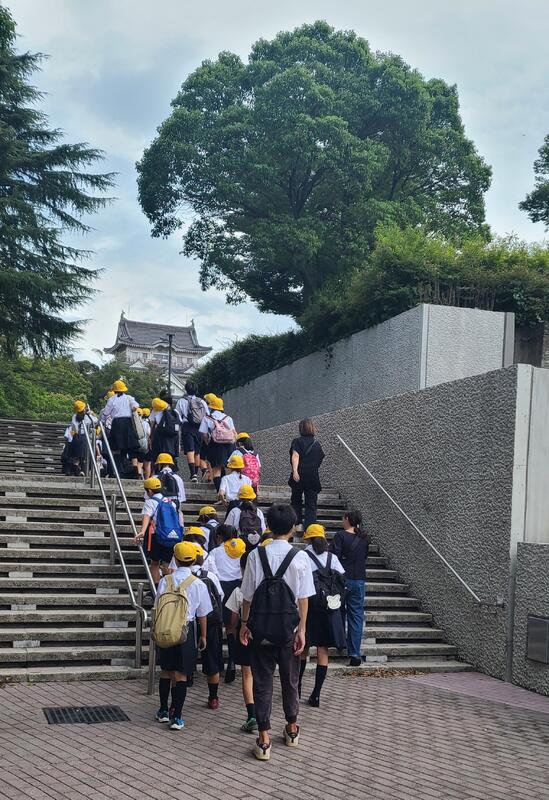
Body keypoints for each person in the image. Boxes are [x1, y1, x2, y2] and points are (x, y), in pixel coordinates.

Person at [239, 504, 315, 762]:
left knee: (262, 681)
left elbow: (247, 596)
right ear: (293, 528)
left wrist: (244, 624)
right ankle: (292, 729)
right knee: (290, 680)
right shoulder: (300, 557)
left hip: (260, 630)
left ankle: (263, 739)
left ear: (268, 527)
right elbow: (303, 598)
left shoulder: (255, 556)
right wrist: (302, 629)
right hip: (288, 630)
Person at [154, 540, 211, 730]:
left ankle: (163, 710)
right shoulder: (198, 584)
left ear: (175, 560)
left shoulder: (165, 580)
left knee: (166, 671)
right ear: (194, 559)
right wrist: (203, 635)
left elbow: (157, 604)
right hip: (186, 630)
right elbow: (202, 614)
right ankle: (177, 716)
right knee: (181, 675)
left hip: (166, 627)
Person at [299, 524, 346, 707]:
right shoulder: (332, 558)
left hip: (309, 608)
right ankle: (316, 694)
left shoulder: (303, 555)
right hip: (328, 609)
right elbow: (342, 578)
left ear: (308, 539)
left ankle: (297, 686)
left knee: (303, 648)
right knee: (323, 650)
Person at [204, 526, 243, 684]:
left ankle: (218, 663)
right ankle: (232, 660)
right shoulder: (241, 549)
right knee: (232, 628)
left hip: (221, 588)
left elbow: (208, 570)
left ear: (219, 537)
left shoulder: (215, 552)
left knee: (219, 626)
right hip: (238, 587)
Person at [331, 509, 369, 667]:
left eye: (343, 518)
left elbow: (333, 558)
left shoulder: (340, 536)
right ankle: (354, 653)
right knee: (356, 616)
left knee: (338, 611)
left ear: (347, 519)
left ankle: (340, 642)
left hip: (342, 580)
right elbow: (364, 557)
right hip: (359, 580)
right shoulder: (364, 538)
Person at [225, 550, 257, 733]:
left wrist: (232, 630)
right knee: (263, 674)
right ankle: (264, 713)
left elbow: (233, 619)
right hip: (268, 634)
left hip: (245, 635)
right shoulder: (270, 587)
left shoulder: (239, 591)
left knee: (247, 675)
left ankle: (251, 715)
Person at [192, 543, 224, 709]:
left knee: (182, 661)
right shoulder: (210, 576)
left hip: (187, 623)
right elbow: (220, 596)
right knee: (212, 660)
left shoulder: (177, 577)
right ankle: (213, 697)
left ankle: (177, 699)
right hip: (210, 622)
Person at [135, 477, 182, 585]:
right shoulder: (171, 502)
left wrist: (142, 531)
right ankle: (169, 587)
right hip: (172, 536)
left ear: (149, 491)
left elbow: (147, 516)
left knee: (154, 563)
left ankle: (156, 587)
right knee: (167, 564)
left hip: (156, 536)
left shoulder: (150, 502)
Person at [289, 418, 325, 530]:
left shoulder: (297, 441)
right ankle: (310, 528)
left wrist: (295, 471)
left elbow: (295, 455)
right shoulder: (317, 444)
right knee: (311, 504)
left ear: (301, 429)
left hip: (299, 475)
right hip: (312, 476)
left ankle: (298, 524)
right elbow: (320, 458)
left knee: (296, 501)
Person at [99, 380, 140, 476]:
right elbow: (136, 406)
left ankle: (117, 470)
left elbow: (106, 413)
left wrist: (102, 422)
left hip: (117, 423)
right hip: (128, 423)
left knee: (116, 448)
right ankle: (134, 470)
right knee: (129, 447)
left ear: (114, 390)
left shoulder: (112, 399)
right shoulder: (129, 398)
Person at [199, 395, 236, 493]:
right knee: (227, 467)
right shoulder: (228, 418)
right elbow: (234, 433)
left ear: (211, 406)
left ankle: (220, 494)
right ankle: (227, 491)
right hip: (229, 446)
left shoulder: (207, 418)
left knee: (216, 471)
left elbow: (204, 434)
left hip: (216, 445)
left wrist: (208, 443)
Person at [175, 381, 209, 482]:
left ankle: (193, 474)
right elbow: (207, 415)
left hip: (187, 426)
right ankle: (196, 473)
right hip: (200, 427)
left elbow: (177, 416)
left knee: (190, 450)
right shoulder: (202, 401)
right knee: (197, 452)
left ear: (186, 389)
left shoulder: (181, 401)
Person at [225, 484, 266, 550]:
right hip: (255, 547)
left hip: (238, 547)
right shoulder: (259, 512)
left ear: (239, 498)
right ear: (252, 498)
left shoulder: (234, 511)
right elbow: (263, 531)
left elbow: (227, 530)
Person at [64, 401, 97, 476]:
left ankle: (75, 470)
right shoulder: (87, 416)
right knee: (84, 455)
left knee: (76, 456)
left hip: (76, 437)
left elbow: (73, 427)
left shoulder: (74, 416)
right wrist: (91, 414)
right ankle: (83, 470)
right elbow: (96, 421)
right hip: (84, 437)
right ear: (84, 409)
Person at [150, 396, 180, 466]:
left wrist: (151, 437)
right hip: (173, 437)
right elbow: (179, 423)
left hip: (160, 436)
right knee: (170, 453)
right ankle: (170, 468)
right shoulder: (175, 412)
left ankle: (160, 468)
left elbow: (152, 423)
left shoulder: (156, 411)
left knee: (159, 454)